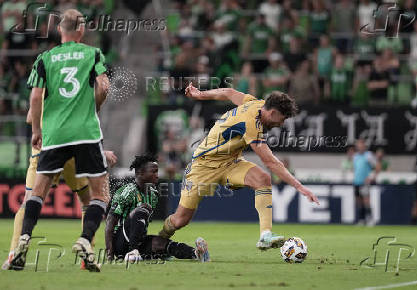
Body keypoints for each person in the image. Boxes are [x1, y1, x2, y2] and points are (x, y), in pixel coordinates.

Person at [159, 82, 319, 250]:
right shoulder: (251, 124)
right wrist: (300, 187)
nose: (281, 124)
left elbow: (228, 92)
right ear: (272, 113)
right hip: (203, 166)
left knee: (263, 179)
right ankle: (158, 242)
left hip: (230, 163)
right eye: (282, 119)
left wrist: (200, 95)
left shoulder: (255, 103)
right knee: (180, 220)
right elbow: (271, 161)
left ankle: (265, 235)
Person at [9, 9, 110, 272]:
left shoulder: (45, 58)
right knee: (98, 196)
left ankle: (23, 239)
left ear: (60, 30)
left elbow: (34, 99)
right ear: (81, 31)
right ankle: (86, 242)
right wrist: (94, 108)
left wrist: (37, 132)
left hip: (52, 138)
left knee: (35, 195)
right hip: (86, 134)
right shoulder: (93, 54)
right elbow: (104, 87)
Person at [105, 155, 210, 263]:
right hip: (120, 242)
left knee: (162, 243)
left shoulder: (153, 194)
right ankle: (132, 252)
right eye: (153, 172)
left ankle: (196, 254)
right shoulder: (127, 191)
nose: (157, 175)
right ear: (140, 173)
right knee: (142, 209)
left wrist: (154, 246)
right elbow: (110, 222)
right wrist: (110, 252)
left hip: (138, 240)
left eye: (157, 171)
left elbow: (142, 225)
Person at [353, 139, 377, 225]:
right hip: (357, 182)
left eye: (361, 145)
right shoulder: (355, 156)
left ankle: (370, 219)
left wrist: (371, 177)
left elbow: (376, 167)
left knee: (366, 201)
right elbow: (356, 169)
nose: (359, 147)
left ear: (364, 146)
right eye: (358, 145)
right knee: (359, 202)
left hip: (365, 182)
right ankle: (361, 219)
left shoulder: (368, 155)